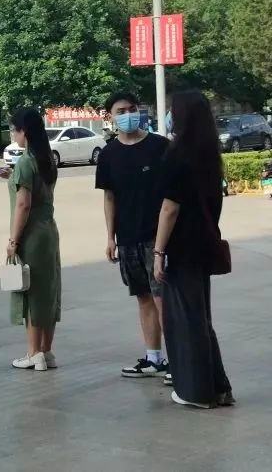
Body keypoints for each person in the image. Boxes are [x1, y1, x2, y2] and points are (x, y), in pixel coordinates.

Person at [152, 90, 234, 409]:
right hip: (205, 244)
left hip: (181, 248)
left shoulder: (177, 156)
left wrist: (158, 252)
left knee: (186, 321)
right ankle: (219, 387)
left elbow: (169, 209)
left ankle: (197, 392)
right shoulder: (210, 156)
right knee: (201, 318)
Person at [96, 91, 171, 379]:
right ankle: (154, 358)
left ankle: (179, 362)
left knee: (163, 299)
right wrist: (110, 237)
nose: (128, 115)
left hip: (158, 238)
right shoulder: (108, 154)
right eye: (121, 111)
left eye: (132, 109)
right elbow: (109, 198)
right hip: (127, 238)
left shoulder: (160, 146)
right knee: (143, 297)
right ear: (111, 117)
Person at [6, 107, 62, 372]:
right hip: (49, 230)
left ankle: (32, 353)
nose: (13, 135)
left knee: (31, 293)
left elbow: (23, 205)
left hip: (31, 235)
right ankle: (46, 350)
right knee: (48, 290)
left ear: (24, 131)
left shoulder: (25, 162)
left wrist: (13, 241)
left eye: (14, 130)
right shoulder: (46, 159)